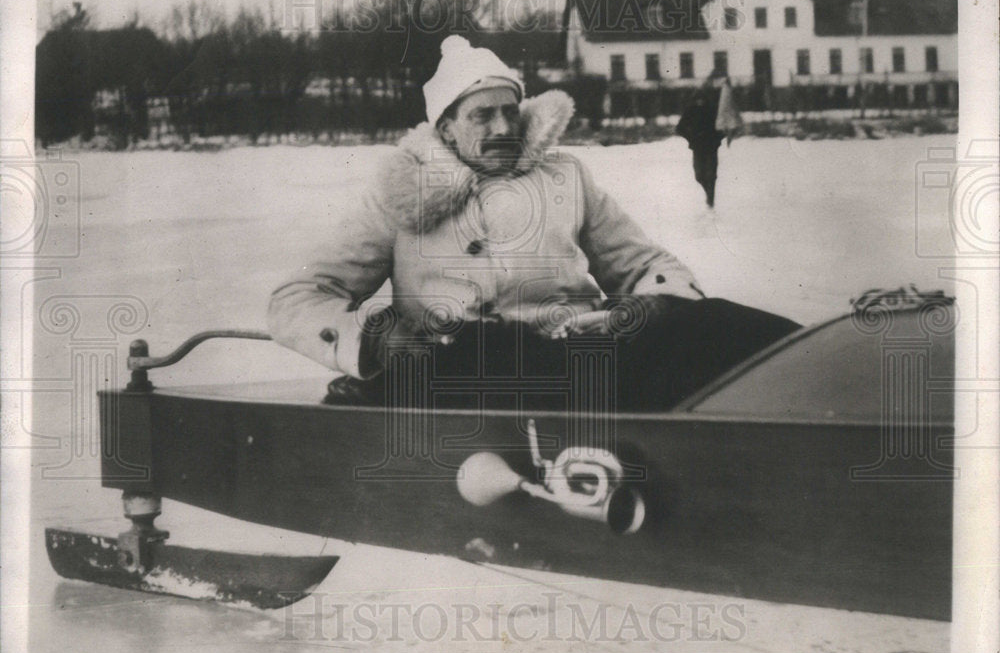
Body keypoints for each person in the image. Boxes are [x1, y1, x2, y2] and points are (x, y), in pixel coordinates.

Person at [268, 36, 797, 411]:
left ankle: (824, 369)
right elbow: (298, 297)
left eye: (510, 112)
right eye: (482, 115)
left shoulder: (563, 177)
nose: (503, 127)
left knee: (708, 322)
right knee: (486, 353)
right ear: (447, 128)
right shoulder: (401, 194)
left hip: (580, 350)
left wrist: (651, 301)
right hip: (465, 366)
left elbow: (644, 262)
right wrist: (376, 340)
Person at [677, 79, 732, 208]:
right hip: (697, 147)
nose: (700, 102)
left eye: (702, 99)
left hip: (712, 147)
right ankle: (709, 194)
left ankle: (711, 199)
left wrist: (718, 137)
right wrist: (690, 138)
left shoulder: (713, 110)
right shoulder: (690, 111)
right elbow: (680, 128)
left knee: (711, 175)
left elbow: (723, 126)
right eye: (698, 99)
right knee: (699, 175)